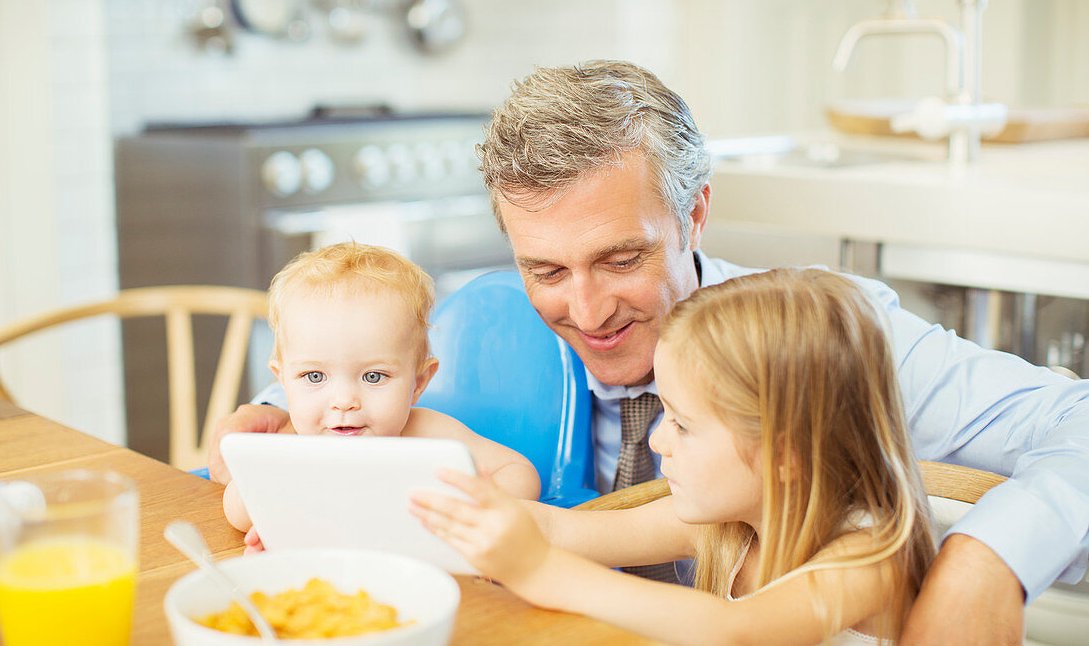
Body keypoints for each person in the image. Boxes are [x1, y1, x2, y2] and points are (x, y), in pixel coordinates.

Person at [210, 60, 1089, 644]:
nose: (586, 309)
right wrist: (281, 437)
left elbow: (1076, 422)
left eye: (622, 259)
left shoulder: (814, 346)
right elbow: (347, 391)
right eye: (544, 268)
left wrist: (990, 554)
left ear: (696, 213)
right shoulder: (473, 326)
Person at [411, 268, 937, 645]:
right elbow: (561, 531)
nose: (658, 439)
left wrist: (540, 571)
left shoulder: (870, 557)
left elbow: (737, 631)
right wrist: (446, 518)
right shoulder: (729, 525)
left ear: (786, 455)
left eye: (682, 423)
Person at [222, 242, 540, 535]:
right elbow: (236, 509)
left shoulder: (428, 435)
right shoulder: (294, 447)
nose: (344, 402)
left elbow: (520, 473)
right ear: (283, 381)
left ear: (418, 384)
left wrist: (473, 512)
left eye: (373, 377)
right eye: (315, 377)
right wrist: (275, 503)